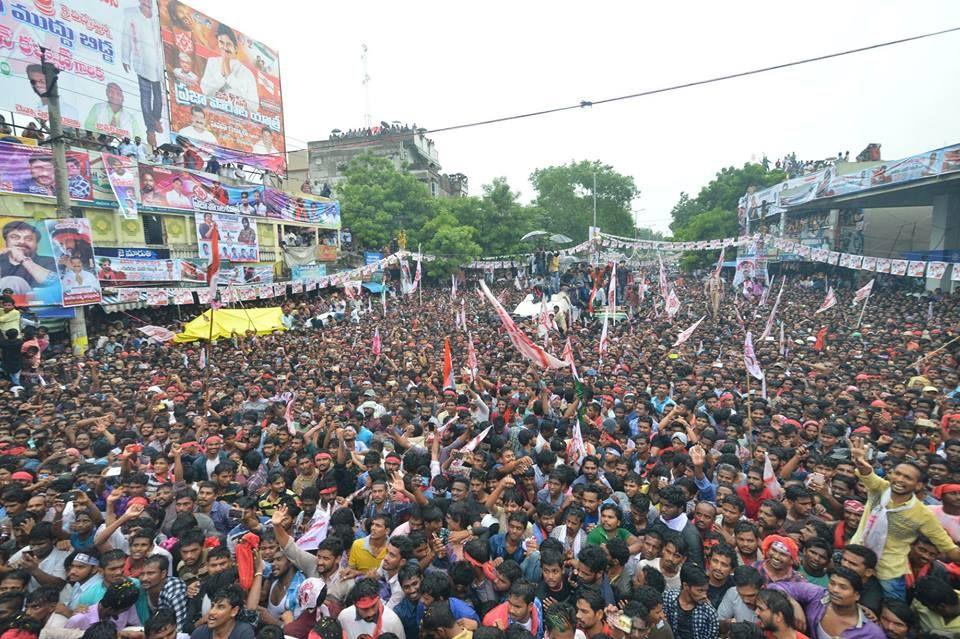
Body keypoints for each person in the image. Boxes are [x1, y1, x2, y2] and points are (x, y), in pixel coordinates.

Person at [849, 439, 960, 601]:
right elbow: (868, 475)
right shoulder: (881, 489)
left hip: (888, 570)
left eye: (907, 478)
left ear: (918, 485)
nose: (900, 480)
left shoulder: (923, 514)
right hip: (856, 556)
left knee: (893, 612)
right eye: (897, 474)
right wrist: (860, 462)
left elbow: (949, 548)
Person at [768, 567, 885, 639]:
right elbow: (775, 586)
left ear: (857, 595)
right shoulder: (818, 595)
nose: (835, 589)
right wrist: (792, 602)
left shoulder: (871, 633)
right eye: (832, 583)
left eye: (843, 587)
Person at [200, 24, 259, 109]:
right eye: (221, 42)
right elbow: (205, 90)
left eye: (228, 44)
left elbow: (254, 106)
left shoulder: (247, 73)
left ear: (235, 49)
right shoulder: (212, 62)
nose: (224, 48)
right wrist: (222, 70)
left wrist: (227, 65)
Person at [337, 578, 406, 639]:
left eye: (373, 606)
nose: (371, 613)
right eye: (365, 609)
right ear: (355, 605)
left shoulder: (392, 621)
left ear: (378, 599)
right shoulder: (344, 617)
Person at [661, 565, 718, 639]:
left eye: (706, 591)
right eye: (700, 590)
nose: (704, 595)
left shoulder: (709, 613)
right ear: (686, 586)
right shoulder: (667, 598)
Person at [189, 585, 256, 639]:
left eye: (221, 607)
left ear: (234, 611)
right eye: (212, 606)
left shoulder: (243, 633)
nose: (212, 612)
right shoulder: (199, 633)